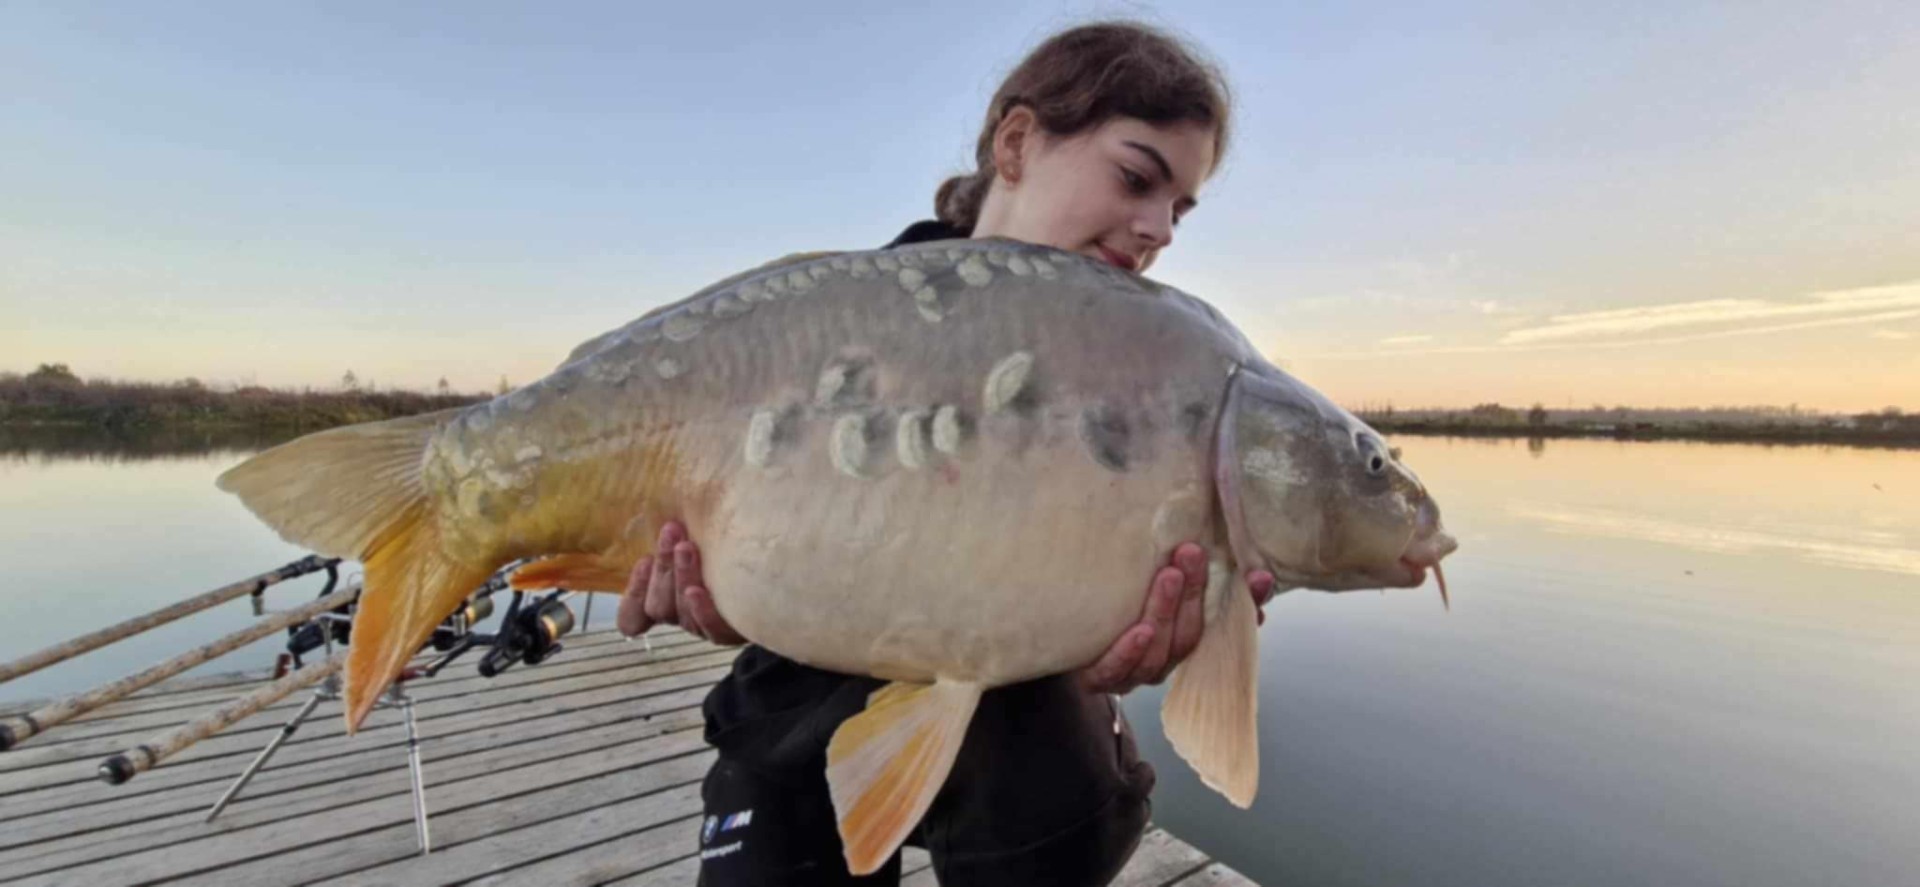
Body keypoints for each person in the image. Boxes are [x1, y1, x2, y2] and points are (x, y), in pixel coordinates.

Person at [617, 21, 1275, 887]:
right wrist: (720, 591)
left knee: (1069, 806)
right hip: (795, 697)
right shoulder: (841, 315)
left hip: (1015, 718)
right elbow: (738, 523)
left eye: (1179, 206)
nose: (1159, 228)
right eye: (1136, 178)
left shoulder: (1157, 366)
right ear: (1015, 142)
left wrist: (1139, 631)